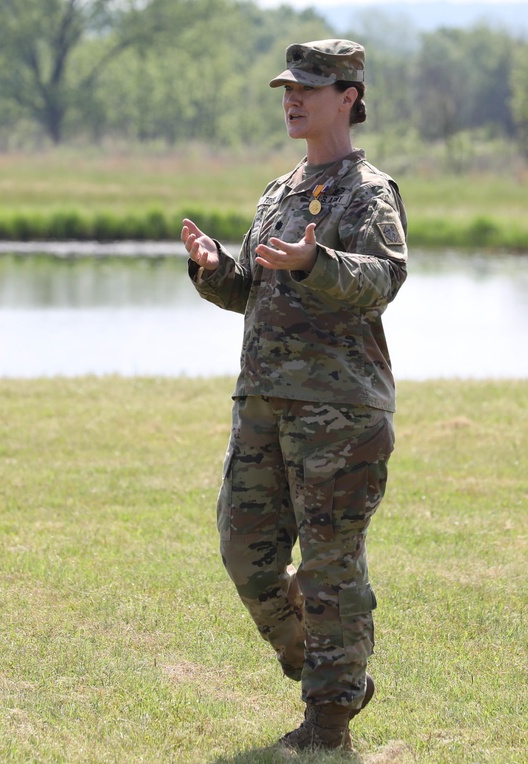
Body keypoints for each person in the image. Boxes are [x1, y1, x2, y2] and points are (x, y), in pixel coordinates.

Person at [180, 40, 406, 752]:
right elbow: (253, 289)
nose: (293, 98)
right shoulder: (279, 191)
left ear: (349, 96)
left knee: (332, 565)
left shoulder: (370, 191)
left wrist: (318, 261)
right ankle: (319, 663)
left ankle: (328, 720)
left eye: (309, 87)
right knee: (244, 550)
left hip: (339, 413)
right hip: (263, 405)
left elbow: (383, 277)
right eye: (287, 86)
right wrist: (218, 268)